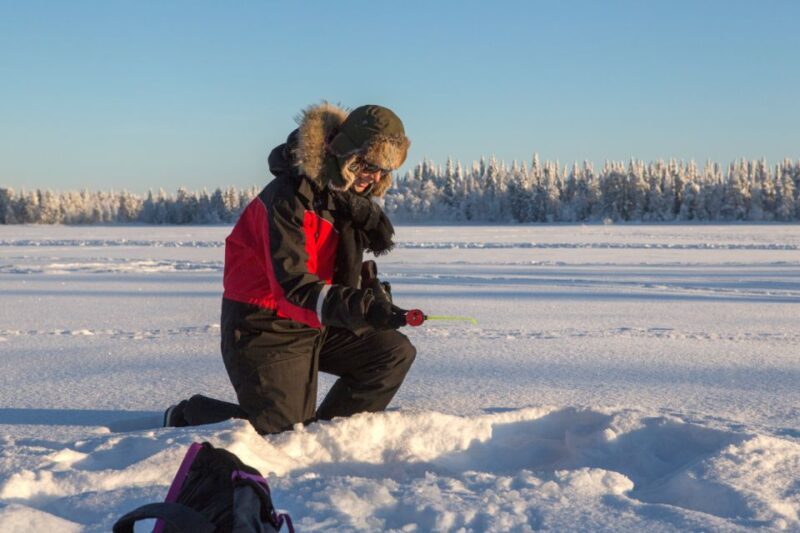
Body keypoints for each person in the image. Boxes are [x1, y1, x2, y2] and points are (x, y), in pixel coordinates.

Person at [164, 103, 416, 434]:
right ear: (346, 153)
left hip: (314, 319)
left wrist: (369, 295)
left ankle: (326, 436)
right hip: (264, 324)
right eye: (370, 166)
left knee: (392, 353)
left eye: (384, 171)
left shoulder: (344, 201)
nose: (375, 178)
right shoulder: (288, 199)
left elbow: (333, 271)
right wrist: (363, 308)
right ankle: (188, 414)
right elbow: (294, 287)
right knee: (282, 435)